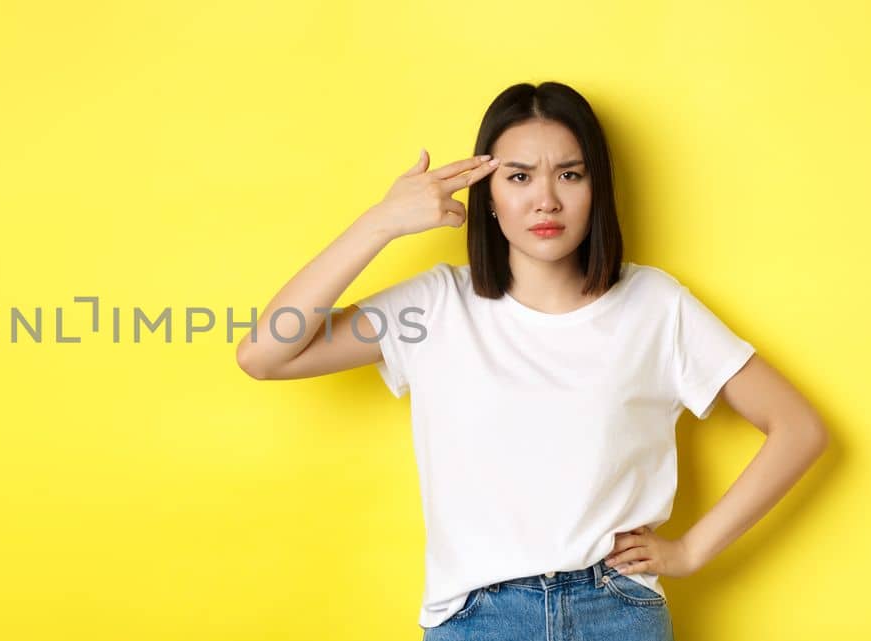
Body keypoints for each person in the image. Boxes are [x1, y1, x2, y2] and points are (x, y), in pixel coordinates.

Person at [234, 81, 828, 640]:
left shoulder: (655, 305)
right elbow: (264, 354)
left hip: (616, 612)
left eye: (569, 174)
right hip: (477, 616)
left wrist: (692, 551)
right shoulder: (438, 305)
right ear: (488, 195)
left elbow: (798, 428)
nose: (546, 198)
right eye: (519, 176)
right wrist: (381, 223)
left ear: (597, 189)